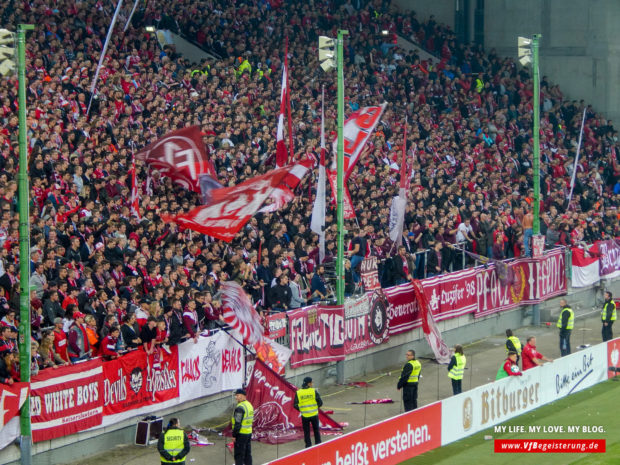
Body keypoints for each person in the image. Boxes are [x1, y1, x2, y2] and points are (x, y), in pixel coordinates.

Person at [293, 376, 323, 448]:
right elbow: (320, 403)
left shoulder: (298, 392)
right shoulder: (313, 391)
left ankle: (308, 446)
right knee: (316, 430)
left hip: (305, 416)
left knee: (307, 432)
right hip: (314, 415)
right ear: (308, 384)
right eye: (312, 382)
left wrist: (302, 409)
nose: (312, 384)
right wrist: (315, 407)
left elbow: (295, 405)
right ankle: (318, 444)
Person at [231, 388, 253, 465]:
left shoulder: (240, 408)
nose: (236, 397)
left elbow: (237, 423)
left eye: (238, 395)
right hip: (248, 432)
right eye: (236, 396)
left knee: (239, 455)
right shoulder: (249, 405)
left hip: (241, 434)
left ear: (243, 396)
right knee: (247, 453)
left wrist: (234, 435)